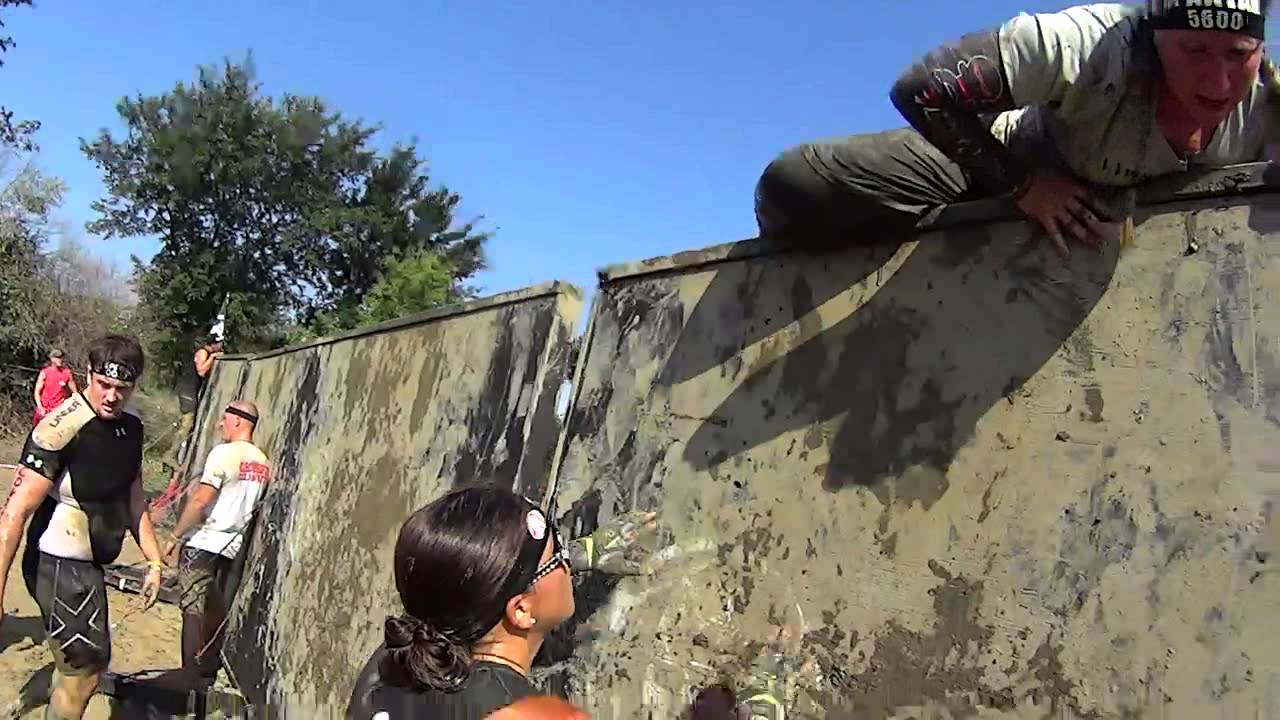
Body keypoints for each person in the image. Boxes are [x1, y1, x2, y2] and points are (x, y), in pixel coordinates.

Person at [755, 0, 1276, 256]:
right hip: (1004, 169)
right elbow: (920, 88)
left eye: (1238, 54)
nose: (1218, 81)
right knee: (795, 183)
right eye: (1194, 51)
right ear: (1155, 33)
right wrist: (1023, 186)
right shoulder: (1088, 45)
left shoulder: (1269, 100)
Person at [344, 483, 659, 719]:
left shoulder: (405, 651)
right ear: (521, 609)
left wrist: (583, 553)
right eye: (559, 555)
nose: (567, 561)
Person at [0, 334, 166, 720]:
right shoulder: (59, 429)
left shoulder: (131, 430)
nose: (111, 396)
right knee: (86, 669)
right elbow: (14, 513)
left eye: (122, 388)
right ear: (88, 374)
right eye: (104, 384)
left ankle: (26, 702)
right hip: (57, 564)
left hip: (89, 566)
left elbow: (135, 499)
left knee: (83, 662)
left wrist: (155, 561)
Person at [162, 399, 269, 687]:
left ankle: (188, 674)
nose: (221, 424)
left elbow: (201, 500)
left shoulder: (223, 454)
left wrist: (175, 536)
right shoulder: (262, 462)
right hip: (233, 547)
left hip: (203, 541)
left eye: (225, 419)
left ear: (238, 421)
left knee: (193, 608)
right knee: (216, 610)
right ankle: (208, 670)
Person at [167, 336, 225, 476]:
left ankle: (177, 455)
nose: (222, 347)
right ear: (214, 343)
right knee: (187, 423)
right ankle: (171, 454)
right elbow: (201, 371)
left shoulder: (204, 353)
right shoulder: (203, 352)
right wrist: (213, 358)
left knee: (188, 424)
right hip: (187, 392)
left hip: (190, 391)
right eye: (220, 344)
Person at [32, 349, 77, 426]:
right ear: (52, 359)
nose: (60, 360)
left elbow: (75, 393)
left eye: (61, 357)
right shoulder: (45, 372)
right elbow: (37, 392)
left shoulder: (67, 373)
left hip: (59, 410)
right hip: (45, 409)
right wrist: (40, 407)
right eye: (57, 357)